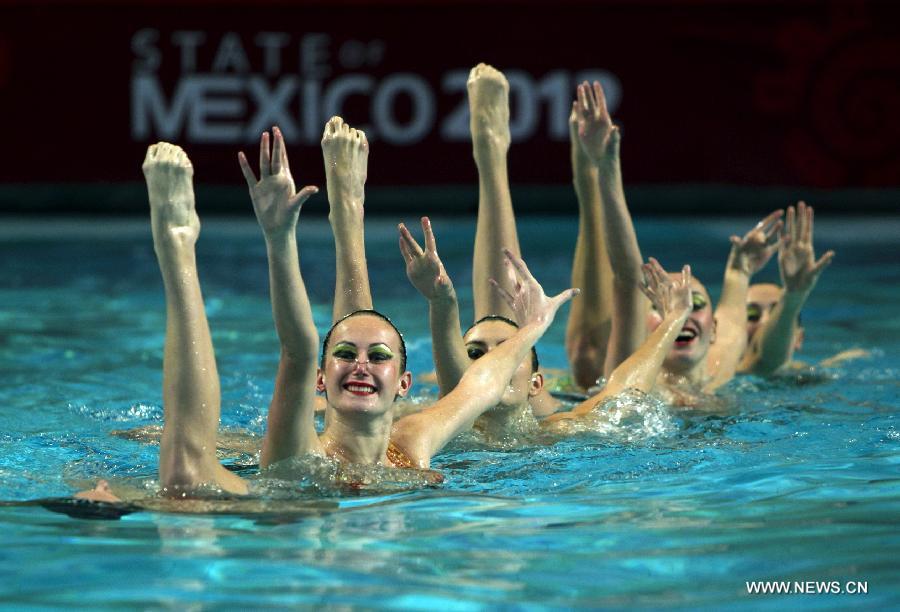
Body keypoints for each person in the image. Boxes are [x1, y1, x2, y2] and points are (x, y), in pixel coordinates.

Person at [76, 120, 577, 503]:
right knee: (186, 477)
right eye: (343, 355)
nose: (360, 364)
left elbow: (480, 385)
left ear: (405, 384)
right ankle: (177, 244)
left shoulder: (412, 441)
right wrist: (279, 238)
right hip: (261, 515)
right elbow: (296, 347)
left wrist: (535, 325)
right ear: (321, 379)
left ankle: (347, 210)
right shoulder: (302, 449)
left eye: (378, 357)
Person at [569, 79, 784, 404]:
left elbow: (735, 309)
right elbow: (627, 276)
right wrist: (606, 166)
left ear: (713, 329)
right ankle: (585, 171)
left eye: (693, 305)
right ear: (640, 331)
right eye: (660, 306)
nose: (679, 311)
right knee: (588, 355)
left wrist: (740, 270)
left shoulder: (720, 366)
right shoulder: (636, 374)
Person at [739, 201, 839, 375]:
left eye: (775, 311)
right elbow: (765, 360)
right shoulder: (717, 375)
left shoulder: (815, 377)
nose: (765, 322)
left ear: (798, 338)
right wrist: (793, 297)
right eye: (752, 315)